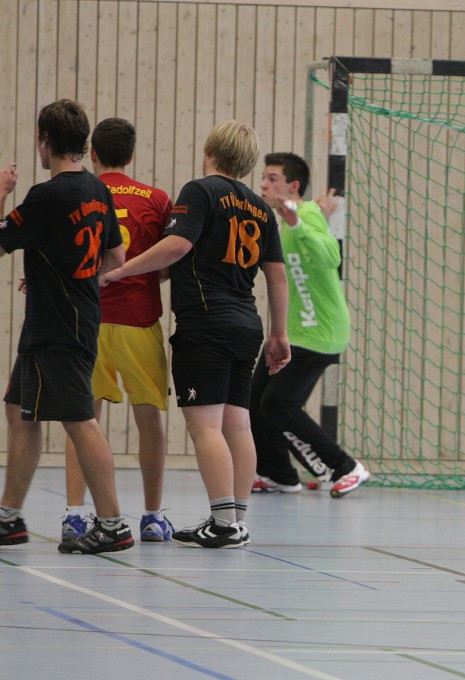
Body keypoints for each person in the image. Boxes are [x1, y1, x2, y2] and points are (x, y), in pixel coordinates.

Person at [101, 120, 290, 549]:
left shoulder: (200, 191)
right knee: (237, 423)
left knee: (205, 427)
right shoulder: (260, 207)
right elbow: (276, 275)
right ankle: (236, 519)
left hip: (206, 323)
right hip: (247, 323)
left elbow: (177, 246)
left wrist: (120, 272)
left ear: (210, 150)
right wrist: (280, 334)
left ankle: (222, 522)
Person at [0, 99, 133, 554]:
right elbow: (114, 258)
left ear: (45, 141)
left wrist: (0, 192)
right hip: (64, 318)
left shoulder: (46, 195)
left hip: (60, 327)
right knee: (19, 409)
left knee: (81, 421)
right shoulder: (97, 190)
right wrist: (56, 266)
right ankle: (10, 517)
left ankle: (113, 524)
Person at [62, 117, 174, 543]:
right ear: (132, 154)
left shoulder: (81, 192)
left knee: (82, 420)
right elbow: (165, 265)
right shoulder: (157, 199)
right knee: (149, 420)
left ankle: (75, 514)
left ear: (92, 153)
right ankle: (153, 516)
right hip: (139, 321)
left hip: (87, 321)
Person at [251, 152, 369, 497]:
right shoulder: (292, 217)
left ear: (293, 186)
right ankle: (280, 474)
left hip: (319, 333)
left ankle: (345, 466)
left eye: (272, 178)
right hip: (294, 332)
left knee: (279, 404)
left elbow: (331, 256)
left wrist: (300, 222)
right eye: (264, 177)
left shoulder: (303, 216)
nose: (263, 184)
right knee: (255, 400)